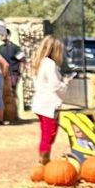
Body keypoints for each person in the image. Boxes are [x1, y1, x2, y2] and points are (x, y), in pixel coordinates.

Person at [30, 36, 66, 165]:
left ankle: (44, 158)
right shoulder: (49, 64)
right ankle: (44, 160)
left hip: (40, 102)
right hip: (49, 104)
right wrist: (65, 83)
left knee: (46, 133)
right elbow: (54, 84)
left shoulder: (39, 62)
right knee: (49, 134)